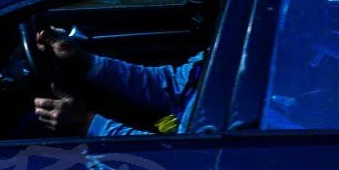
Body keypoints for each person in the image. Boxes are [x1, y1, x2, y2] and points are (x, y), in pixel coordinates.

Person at [28, 27, 206, 138]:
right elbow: (172, 84)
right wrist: (83, 61)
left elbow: (181, 156)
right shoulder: (226, 52)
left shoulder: (230, 95)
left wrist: (85, 122)